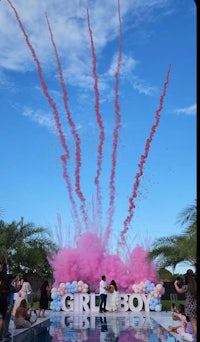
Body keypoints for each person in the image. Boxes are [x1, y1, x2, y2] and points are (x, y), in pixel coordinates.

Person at [174, 269, 197, 338]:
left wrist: (175, 284)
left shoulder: (186, 287)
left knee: (194, 324)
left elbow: (179, 290)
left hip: (190, 307)